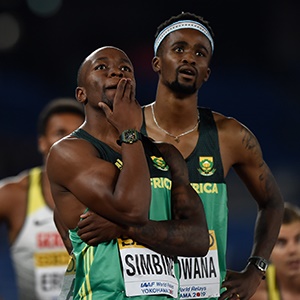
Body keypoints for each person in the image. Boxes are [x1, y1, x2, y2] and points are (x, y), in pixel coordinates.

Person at [137, 12, 284, 300]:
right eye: (179, 49)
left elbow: (273, 202)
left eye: (200, 53)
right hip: (139, 292)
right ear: (157, 62)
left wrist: (256, 271)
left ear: (206, 72)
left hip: (203, 293)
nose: (189, 58)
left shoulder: (230, 136)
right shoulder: (127, 130)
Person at [46, 46, 209, 300]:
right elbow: (133, 210)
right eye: (102, 67)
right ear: (81, 94)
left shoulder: (166, 154)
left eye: (125, 69)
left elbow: (198, 240)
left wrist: (125, 229)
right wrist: (129, 133)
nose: (116, 72)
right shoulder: (68, 152)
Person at [0, 98, 85, 300]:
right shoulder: (15, 195)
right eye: (60, 133)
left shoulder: (108, 192)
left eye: (77, 134)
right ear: (42, 142)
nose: (68, 141)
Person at [250, 202, 300, 300]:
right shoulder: (256, 294)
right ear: (266, 250)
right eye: (281, 243)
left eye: (299, 239)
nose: (292, 250)